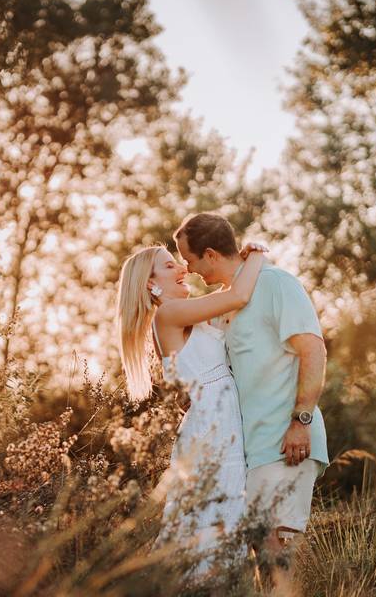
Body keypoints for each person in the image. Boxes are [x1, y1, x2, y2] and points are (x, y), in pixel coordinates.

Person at [173, 212, 329, 592]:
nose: (188, 269)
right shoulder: (226, 301)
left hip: (285, 443)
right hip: (250, 452)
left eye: (189, 259)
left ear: (210, 255)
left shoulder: (277, 284)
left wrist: (301, 421)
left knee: (278, 557)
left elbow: (314, 351)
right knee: (263, 559)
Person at [115, 240, 268, 581]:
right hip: (212, 430)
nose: (183, 269)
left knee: (220, 523)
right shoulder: (168, 314)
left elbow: (230, 303)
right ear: (150, 284)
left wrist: (234, 268)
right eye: (169, 266)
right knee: (211, 527)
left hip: (218, 424)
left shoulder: (190, 318)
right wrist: (256, 256)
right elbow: (238, 296)